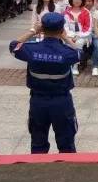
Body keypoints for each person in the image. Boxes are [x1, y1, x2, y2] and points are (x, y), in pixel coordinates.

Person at [9, 13, 81, 153]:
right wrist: (65, 38)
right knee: (66, 145)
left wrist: (33, 31)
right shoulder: (67, 53)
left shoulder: (31, 50)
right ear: (61, 30)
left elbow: (13, 46)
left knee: (38, 144)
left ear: (42, 29)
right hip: (62, 102)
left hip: (38, 101)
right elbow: (79, 53)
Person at [63, 0, 92, 76]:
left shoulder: (86, 12)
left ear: (82, 0)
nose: (77, 1)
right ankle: (67, 65)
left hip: (83, 36)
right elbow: (65, 27)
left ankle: (75, 66)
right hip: (69, 35)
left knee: (78, 43)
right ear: (71, 0)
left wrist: (77, 36)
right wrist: (71, 36)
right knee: (66, 43)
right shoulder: (67, 12)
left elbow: (88, 28)